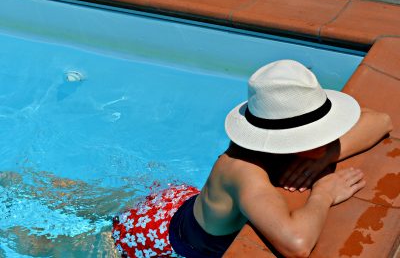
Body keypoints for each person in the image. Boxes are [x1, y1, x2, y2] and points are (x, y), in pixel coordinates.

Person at [112, 60, 392, 258]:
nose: (327, 139)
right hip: (159, 241)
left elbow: (381, 121)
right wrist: (323, 193)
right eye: (315, 137)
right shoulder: (245, 173)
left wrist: (324, 156)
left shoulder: (272, 137)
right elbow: (297, 245)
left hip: (180, 206)